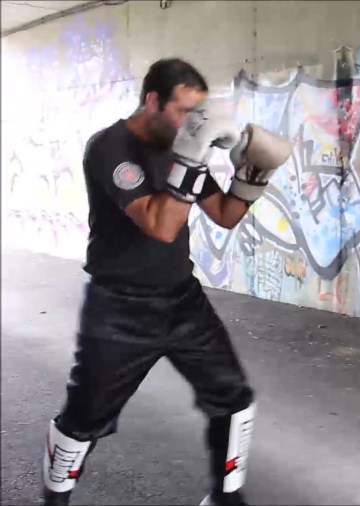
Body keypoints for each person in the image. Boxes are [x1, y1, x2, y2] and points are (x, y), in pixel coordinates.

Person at [40, 58, 292, 506]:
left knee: (232, 396)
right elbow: (160, 226)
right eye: (182, 111)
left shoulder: (184, 146)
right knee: (84, 417)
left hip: (181, 300)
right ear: (152, 101)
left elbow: (226, 215)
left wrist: (254, 176)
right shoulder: (110, 148)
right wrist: (190, 158)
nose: (190, 123)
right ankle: (55, 497)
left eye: (197, 114)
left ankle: (225, 497)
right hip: (118, 307)